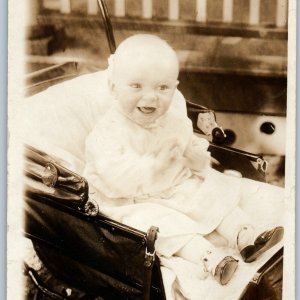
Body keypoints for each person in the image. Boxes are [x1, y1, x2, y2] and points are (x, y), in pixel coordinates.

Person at [83, 34, 284, 286]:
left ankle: (244, 235)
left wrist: (196, 159)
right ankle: (209, 258)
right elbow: (117, 176)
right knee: (159, 226)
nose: (151, 97)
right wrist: (155, 167)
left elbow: (190, 145)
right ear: (113, 87)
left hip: (176, 184)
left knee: (214, 189)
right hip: (132, 198)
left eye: (162, 88)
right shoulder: (107, 133)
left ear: (174, 87)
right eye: (136, 86)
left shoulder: (173, 119)